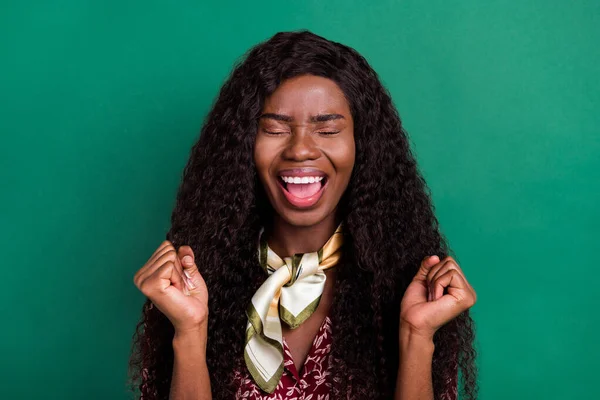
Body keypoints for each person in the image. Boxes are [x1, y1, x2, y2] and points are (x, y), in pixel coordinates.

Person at [129, 30, 477, 400]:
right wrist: (189, 332)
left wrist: (416, 335)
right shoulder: (194, 285)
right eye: (275, 129)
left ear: (363, 145)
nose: (300, 150)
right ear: (245, 145)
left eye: (327, 129)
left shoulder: (409, 289)